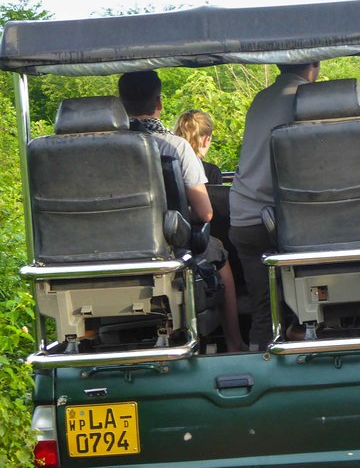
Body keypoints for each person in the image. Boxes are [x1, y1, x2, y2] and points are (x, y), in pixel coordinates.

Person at [228, 62, 321, 351]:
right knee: (311, 302)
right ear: (314, 66)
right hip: (290, 222)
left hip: (244, 214)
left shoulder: (261, 98)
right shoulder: (309, 99)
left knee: (263, 312)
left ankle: (259, 362)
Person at [175, 109, 247, 352]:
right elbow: (205, 214)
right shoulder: (209, 170)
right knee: (220, 254)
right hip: (188, 241)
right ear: (206, 139)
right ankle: (234, 340)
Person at [118, 70, 212, 223]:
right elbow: (205, 214)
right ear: (158, 103)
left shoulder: (98, 148)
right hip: (165, 242)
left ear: (120, 104)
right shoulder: (176, 147)